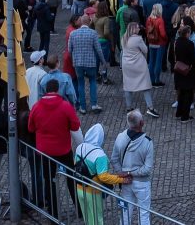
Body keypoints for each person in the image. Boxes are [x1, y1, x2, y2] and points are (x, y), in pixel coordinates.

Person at [27, 78, 81, 218]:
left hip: (45, 151)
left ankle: (53, 213)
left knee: (49, 181)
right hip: (63, 149)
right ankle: (79, 209)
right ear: (57, 90)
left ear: (45, 90)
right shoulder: (65, 106)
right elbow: (75, 126)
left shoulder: (36, 107)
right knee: (71, 178)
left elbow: (30, 128)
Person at [73, 123, 130, 225]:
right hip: (93, 191)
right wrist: (121, 179)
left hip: (79, 188)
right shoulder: (99, 155)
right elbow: (103, 177)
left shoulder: (80, 147)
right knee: (98, 219)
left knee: (88, 218)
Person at [111, 109, 155, 225]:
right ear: (141, 123)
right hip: (142, 183)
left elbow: (114, 159)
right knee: (144, 214)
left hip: (126, 182)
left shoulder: (120, 137)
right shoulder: (147, 142)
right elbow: (147, 169)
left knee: (125, 213)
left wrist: (123, 173)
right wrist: (130, 173)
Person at [68, 15, 106, 114]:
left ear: (81, 22)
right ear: (89, 22)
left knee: (80, 83)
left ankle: (83, 107)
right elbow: (98, 49)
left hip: (78, 63)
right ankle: (94, 104)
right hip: (90, 63)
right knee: (92, 81)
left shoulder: (73, 34)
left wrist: (73, 60)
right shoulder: (93, 33)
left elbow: (69, 50)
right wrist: (103, 62)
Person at [120, 23, 159, 117]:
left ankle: (129, 108)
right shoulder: (138, 39)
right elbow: (145, 50)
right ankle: (150, 108)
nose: (139, 29)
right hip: (138, 65)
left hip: (127, 65)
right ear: (133, 29)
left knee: (128, 86)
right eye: (137, 27)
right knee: (145, 86)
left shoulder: (124, 38)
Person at [173, 26, 195, 123]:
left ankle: (179, 113)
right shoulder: (189, 44)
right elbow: (193, 58)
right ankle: (185, 116)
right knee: (188, 94)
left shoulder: (177, 42)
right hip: (187, 71)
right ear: (187, 33)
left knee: (181, 93)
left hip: (178, 70)